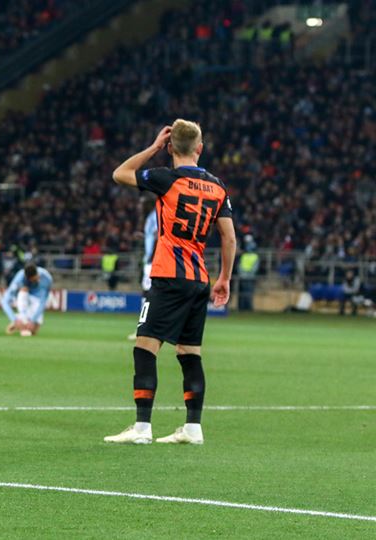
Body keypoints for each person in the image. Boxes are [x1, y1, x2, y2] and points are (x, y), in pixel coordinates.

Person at [105, 120, 236, 446]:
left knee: (144, 348)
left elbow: (120, 173)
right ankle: (193, 428)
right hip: (199, 279)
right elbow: (229, 238)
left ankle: (142, 427)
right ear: (200, 148)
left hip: (168, 276)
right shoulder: (217, 186)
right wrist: (224, 277)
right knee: (190, 353)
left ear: (170, 147)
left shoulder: (166, 178)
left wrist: (153, 148)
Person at [128, 203, 157, 340]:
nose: (139, 207)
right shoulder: (151, 216)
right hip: (150, 260)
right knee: (148, 294)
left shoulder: (154, 216)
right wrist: (144, 236)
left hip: (152, 261)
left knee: (147, 294)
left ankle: (143, 329)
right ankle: (147, 328)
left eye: (142, 204)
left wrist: (152, 257)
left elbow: (159, 235)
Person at [1, 262, 53, 337]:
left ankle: (22, 320)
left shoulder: (47, 278)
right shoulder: (19, 278)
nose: (36, 281)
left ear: (37, 274)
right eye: (32, 280)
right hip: (22, 296)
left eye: (36, 279)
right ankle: (21, 318)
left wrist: (33, 320)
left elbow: (43, 301)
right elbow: (5, 301)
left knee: (33, 331)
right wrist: (14, 320)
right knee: (23, 290)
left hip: (37, 299)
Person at [237, 235, 259, 312]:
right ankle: (243, 308)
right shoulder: (246, 255)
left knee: (247, 292)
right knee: (244, 293)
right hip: (245, 277)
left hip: (248, 277)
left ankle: (247, 308)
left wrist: (243, 274)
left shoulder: (253, 256)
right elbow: (239, 266)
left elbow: (254, 268)